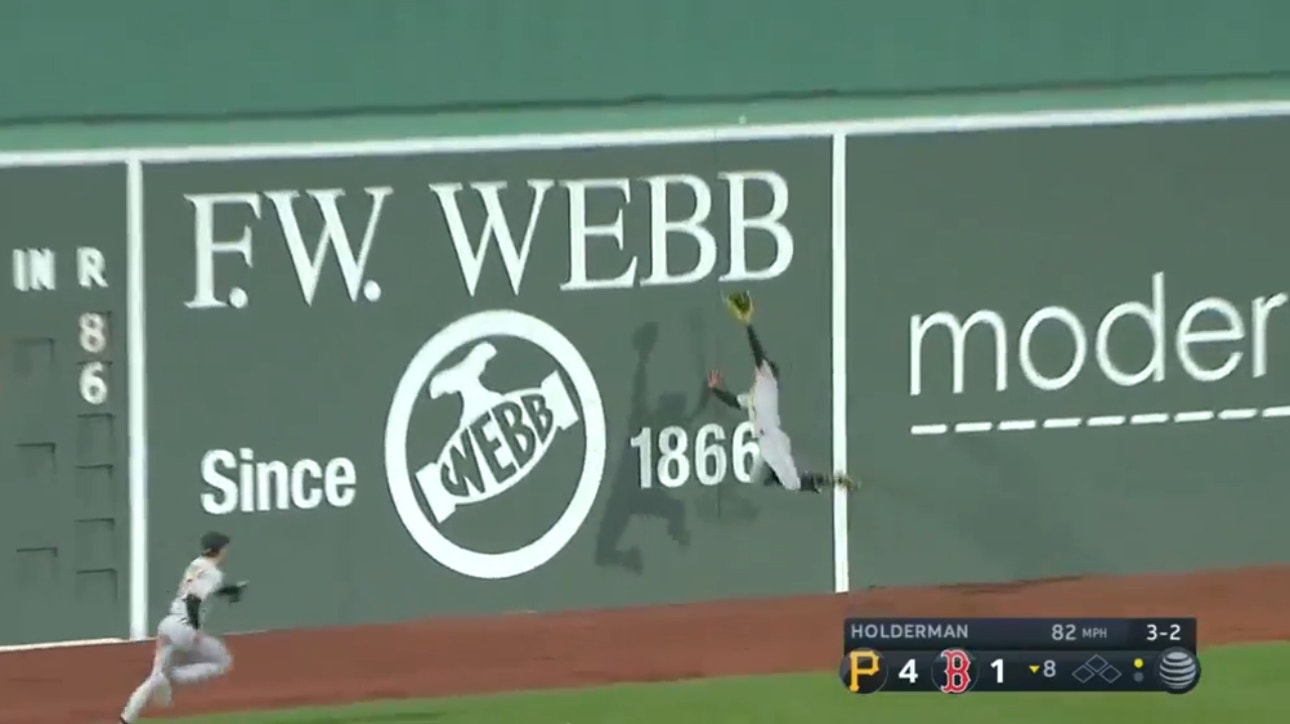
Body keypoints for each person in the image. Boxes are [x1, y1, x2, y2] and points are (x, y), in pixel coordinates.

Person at [708, 291, 855, 494]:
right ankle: (803, 479)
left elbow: (758, 354)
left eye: (764, 368)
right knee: (758, 478)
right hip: (767, 442)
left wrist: (748, 324)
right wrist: (716, 390)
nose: (759, 369)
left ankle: (830, 480)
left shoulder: (768, 383)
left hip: (773, 439)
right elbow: (734, 401)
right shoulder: (754, 395)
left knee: (792, 484)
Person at [119, 531, 248, 723]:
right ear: (219, 550)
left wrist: (231, 589)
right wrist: (195, 629)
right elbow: (194, 599)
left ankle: (127, 716)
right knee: (222, 661)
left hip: (168, 624)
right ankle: (176, 676)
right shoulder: (213, 573)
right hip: (184, 627)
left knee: (155, 677)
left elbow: (203, 589)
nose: (226, 551)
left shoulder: (196, 564)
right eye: (225, 548)